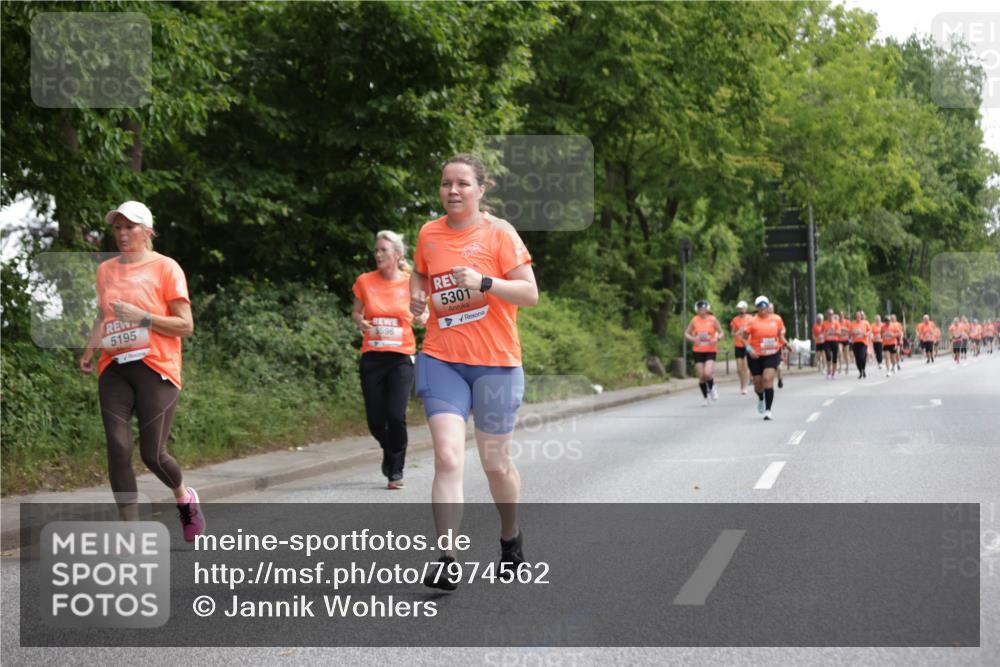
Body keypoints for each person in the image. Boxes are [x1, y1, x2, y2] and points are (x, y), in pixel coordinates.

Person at [410, 154, 537, 590]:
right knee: (447, 456)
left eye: (463, 183)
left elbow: (529, 293)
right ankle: (447, 555)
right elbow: (421, 276)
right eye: (446, 183)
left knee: (495, 464)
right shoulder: (428, 233)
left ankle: (510, 537)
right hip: (441, 358)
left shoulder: (499, 233)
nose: (453, 191)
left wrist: (484, 282)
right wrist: (417, 298)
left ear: (481, 190)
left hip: (497, 364)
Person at [79, 201, 204, 541]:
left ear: (148, 231)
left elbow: (185, 325)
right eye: (117, 227)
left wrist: (142, 318)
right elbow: (103, 315)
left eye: (129, 227)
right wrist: (90, 349)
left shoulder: (166, 268)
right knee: (118, 447)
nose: (122, 234)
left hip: (156, 366)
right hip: (115, 366)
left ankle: (183, 497)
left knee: (153, 454)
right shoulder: (105, 270)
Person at [352, 230, 428, 490]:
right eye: (376, 250)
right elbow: (356, 312)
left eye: (383, 250)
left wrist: (422, 316)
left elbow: (423, 313)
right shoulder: (364, 281)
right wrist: (360, 321)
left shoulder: (410, 283)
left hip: (400, 359)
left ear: (397, 255)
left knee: (396, 415)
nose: (378, 254)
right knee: (375, 421)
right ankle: (390, 448)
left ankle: (395, 471)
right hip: (372, 358)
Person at [738, 295, 787, 420]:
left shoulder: (776, 319)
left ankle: (768, 410)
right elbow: (743, 338)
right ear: (757, 308)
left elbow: (781, 331)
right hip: (756, 355)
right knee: (758, 385)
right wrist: (749, 350)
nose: (762, 308)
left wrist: (785, 342)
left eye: (764, 305)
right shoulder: (752, 321)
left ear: (768, 306)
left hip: (772, 353)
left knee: (767, 379)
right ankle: (761, 398)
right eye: (760, 306)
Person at [685, 300, 724, 406]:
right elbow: (686, 333)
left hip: (710, 350)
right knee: (701, 376)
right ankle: (705, 398)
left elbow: (721, 332)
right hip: (698, 350)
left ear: (707, 309)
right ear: (697, 310)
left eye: (703, 309)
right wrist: (693, 339)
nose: (702, 311)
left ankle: (712, 387)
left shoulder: (713, 319)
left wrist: (717, 338)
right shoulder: (694, 320)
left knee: (707, 373)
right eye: (699, 309)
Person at [730, 301, 753, 394]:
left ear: (746, 308)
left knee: (746, 367)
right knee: (739, 369)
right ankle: (742, 383)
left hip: (748, 345)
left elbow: (755, 330)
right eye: (739, 308)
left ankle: (745, 386)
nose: (741, 310)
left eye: (742, 308)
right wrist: (737, 332)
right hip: (738, 345)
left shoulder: (751, 319)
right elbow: (732, 333)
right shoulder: (735, 320)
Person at [849, 310, 872, 379]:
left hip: (863, 342)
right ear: (855, 316)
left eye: (859, 315)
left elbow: (870, 330)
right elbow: (849, 334)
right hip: (855, 343)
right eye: (856, 315)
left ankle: (863, 369)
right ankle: (860, 371)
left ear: (861, 316)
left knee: (862, 357)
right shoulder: (852, 324)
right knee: (857, 358)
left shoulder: (865, 323)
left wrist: (866, 334)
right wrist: (853, 333)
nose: (858, 316)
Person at [823, 310, 840, 379]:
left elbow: (839, 333)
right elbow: (823, 334)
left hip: (835, 341)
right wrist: (828, 333)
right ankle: (829, 371)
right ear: (827, 315)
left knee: (835, 358)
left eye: (832, 314)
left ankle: (833, 373)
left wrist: (833, 331)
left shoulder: (836, 323)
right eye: (829, 314)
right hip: (827, 342)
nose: (830, 315)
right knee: (828, 356)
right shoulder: (824, 323)